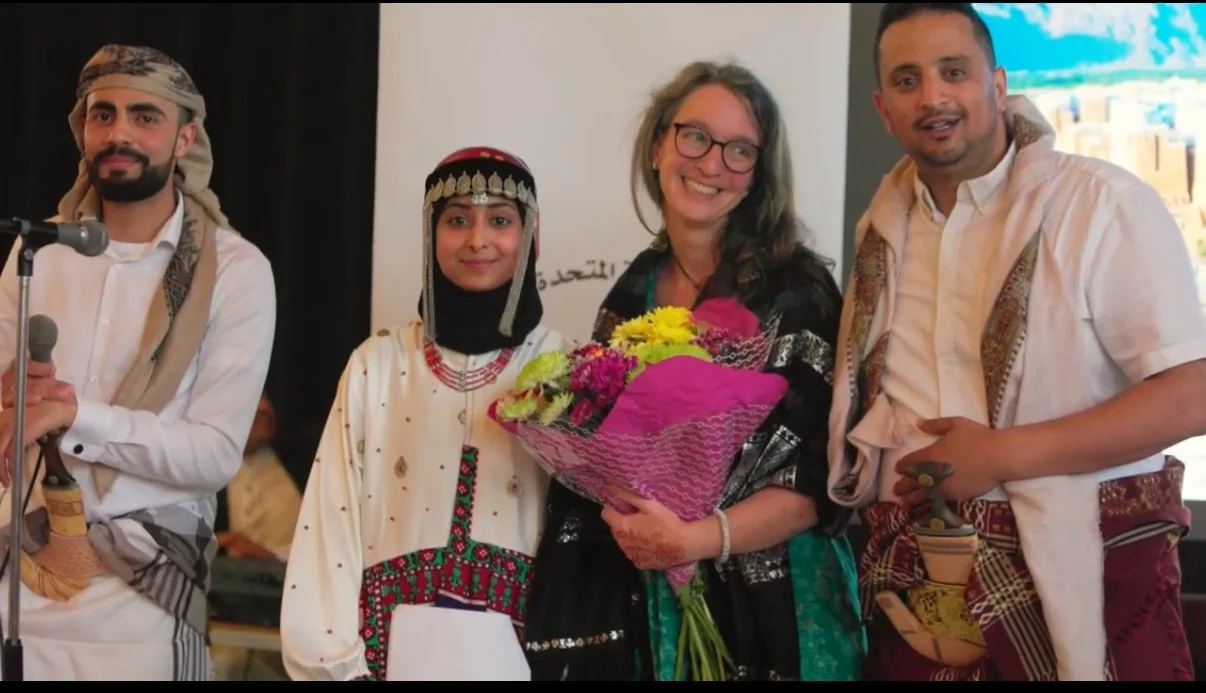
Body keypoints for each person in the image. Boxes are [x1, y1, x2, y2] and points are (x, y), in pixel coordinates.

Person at [827, 3, 1200, 682]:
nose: (933, 96)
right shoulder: (879, 233)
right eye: (908, 80)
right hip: (916, 594)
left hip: (1094, 579)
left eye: (954, 71)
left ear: (997, 85)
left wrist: (1000, 456)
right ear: (884, 109)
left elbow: (1191, 394)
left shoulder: (1098, 204)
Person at [522, 60, 866, 682]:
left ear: (758, 175)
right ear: (659, 146)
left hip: (784, 599)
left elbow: (820, 481)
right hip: (659, 599)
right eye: (695, 136)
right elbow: (601, 453)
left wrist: (700, 539)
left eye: (740, 151)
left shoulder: (801, 290)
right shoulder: (631, 294)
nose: (711, 164)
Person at [0, 44, 276, 680]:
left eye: (145, 117)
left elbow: (212, 455)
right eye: (103, 115)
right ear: (83, 130)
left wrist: (74, 416)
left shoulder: (234, 270)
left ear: (184, 138)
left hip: (146, 601)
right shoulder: (36, 251)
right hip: (22, 596)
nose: (119, 133)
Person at [279, 146, 567, 681]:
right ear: (430, 234)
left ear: (530, 236)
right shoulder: (378, 366)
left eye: (500, 220)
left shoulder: (564, 370)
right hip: (383, 661)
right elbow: (330, 523)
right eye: (457, 219)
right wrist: (337, 668)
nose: (477, 240)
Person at [216, 394, 302, 561]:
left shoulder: (304, 464)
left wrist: (273, 555)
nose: (263, 409)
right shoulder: (209, 470)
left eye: (265, 409)